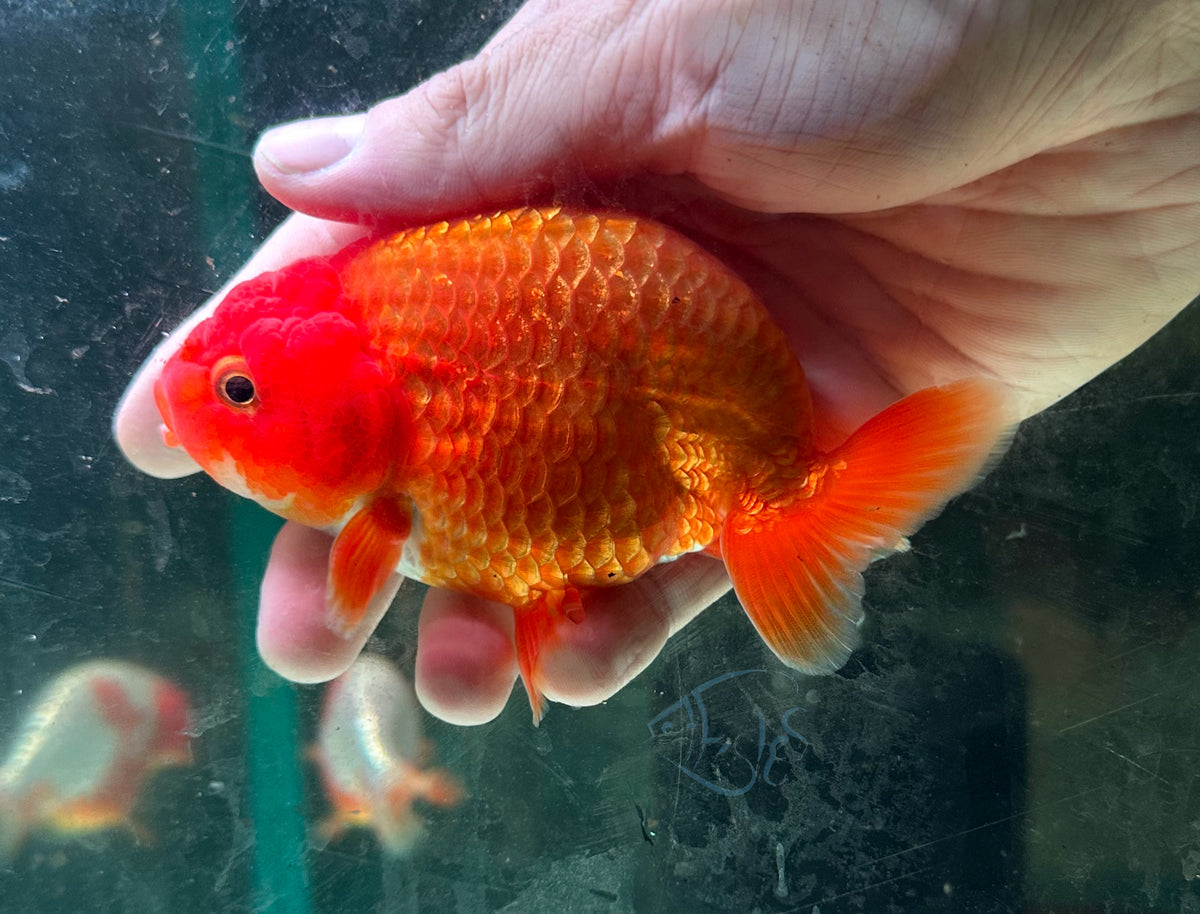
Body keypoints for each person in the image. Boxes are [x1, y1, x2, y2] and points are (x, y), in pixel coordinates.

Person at [114, 0, 1200, 725]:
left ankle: (797, 499)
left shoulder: (388, 504)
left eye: (242, 394)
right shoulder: (385, 454)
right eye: (232, 392)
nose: (216, 409)